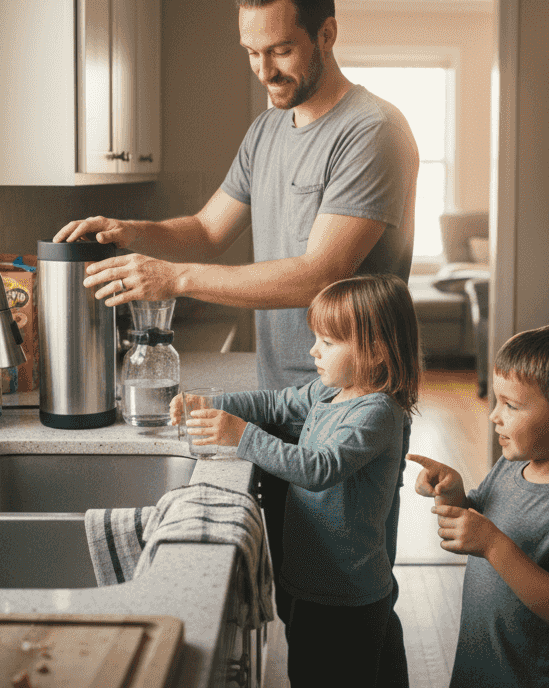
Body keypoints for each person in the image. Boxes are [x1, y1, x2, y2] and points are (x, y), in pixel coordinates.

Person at [53, 0, 418, 685]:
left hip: (350, 406)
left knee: (350, 602)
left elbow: (320, 273)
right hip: (290, 396)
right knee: (309, 606)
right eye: (251, 52)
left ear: (327, 33)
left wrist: (172, 277)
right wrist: (129, 231)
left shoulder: (372, 132)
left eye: (280, 50)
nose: (264, 70)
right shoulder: (267, 129)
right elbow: (207, 227)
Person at [172, 275, 419, 688]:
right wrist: (211, 404)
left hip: (347, 596)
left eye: (328, 342)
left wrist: (243, 435)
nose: (313, 350)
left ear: (376, 351)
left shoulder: (376, 413)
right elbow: (274, 403)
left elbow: (319, 468)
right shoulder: (330, 392)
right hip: (313, 583)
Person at [407, 322, 549, 688]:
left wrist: (494, 545)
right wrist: (453, 493)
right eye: (497, 401)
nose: (495, 415)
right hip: (479, 664)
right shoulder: (510, 467)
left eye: (511, 405)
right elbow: (477, 523)